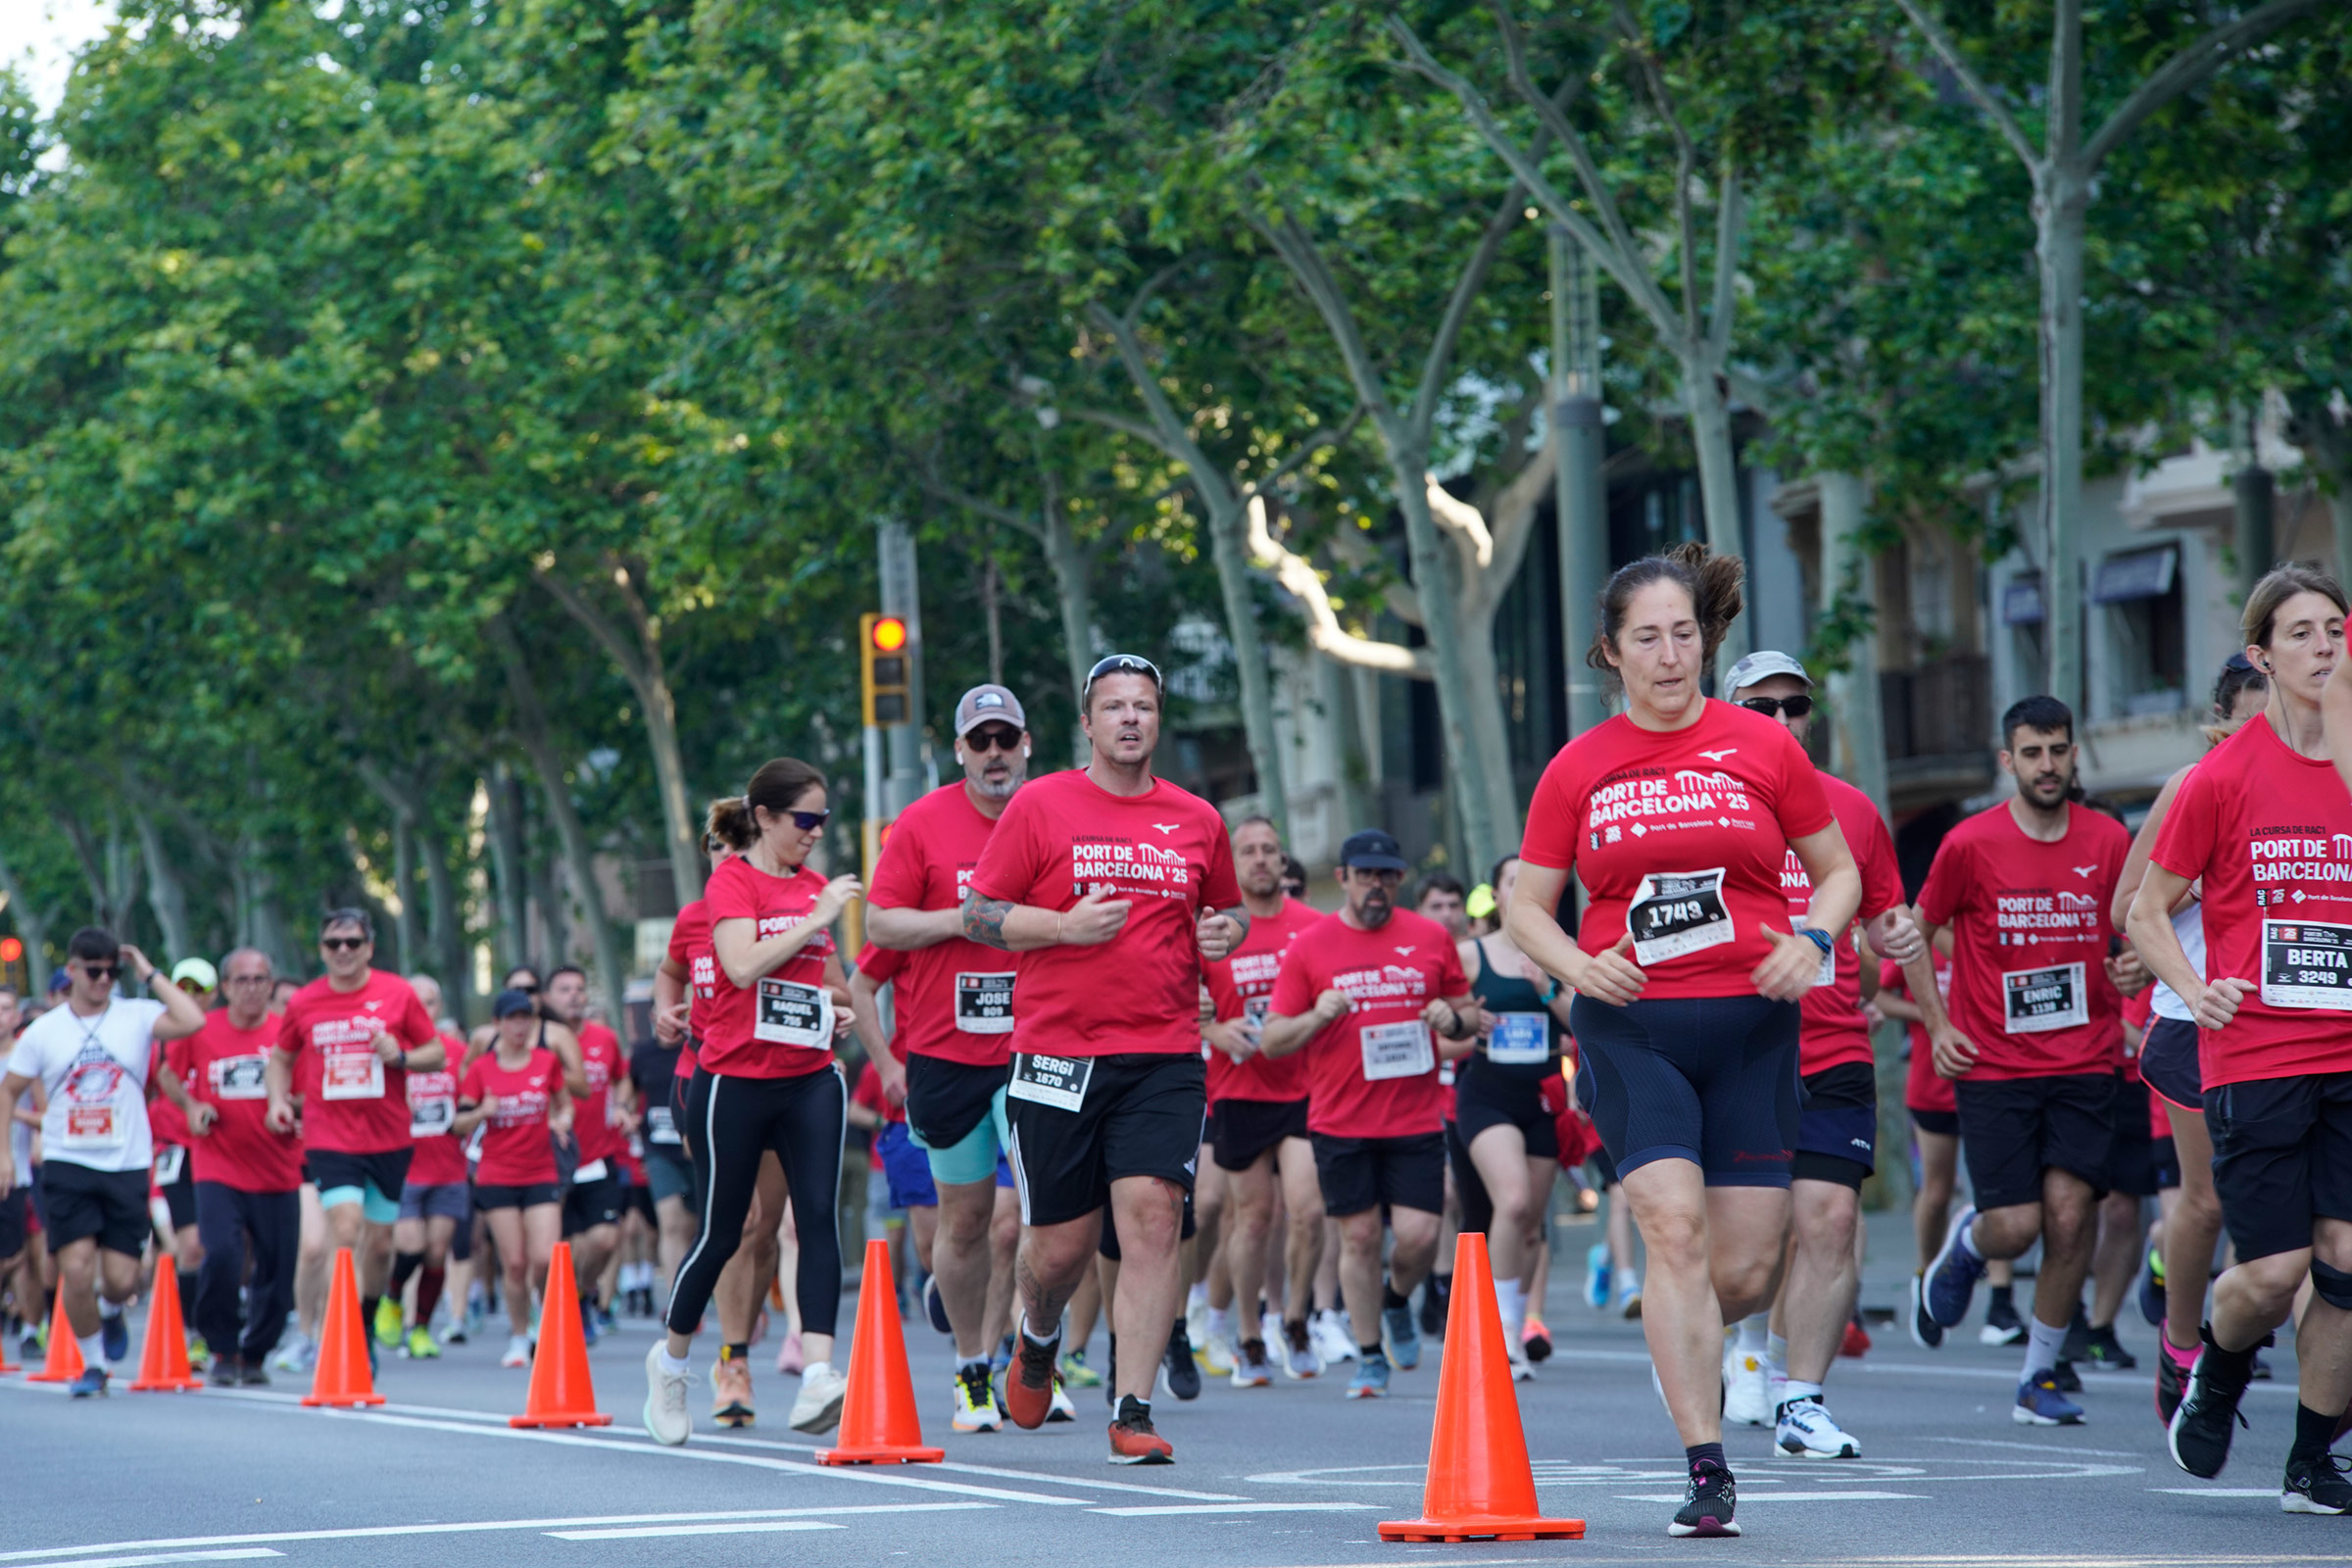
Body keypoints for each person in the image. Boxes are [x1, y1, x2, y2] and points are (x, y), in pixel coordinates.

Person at [1504, 544, 1862, 1539]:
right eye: (1647, 638)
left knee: (1743, 1270)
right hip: (1634, 1026)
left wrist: (1814, 938)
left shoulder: (1764, 747)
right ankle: (1708, 1466)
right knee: (1673, 1227)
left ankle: (1693, 1336)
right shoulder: (1579, 766)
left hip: (1752, 1026)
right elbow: (1525, 904)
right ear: (1611, 654)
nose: (1671, 655)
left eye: (1684, 634)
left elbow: (1838, 873)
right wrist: (1578, 970)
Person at [961, 653, 1246, 1465]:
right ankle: (1039, 1334)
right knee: (1060, 1247)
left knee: (1156, 1218)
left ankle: (1132, 1406)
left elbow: (1223, 916)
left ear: (1158, 721)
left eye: (1144, 707)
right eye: (1115, 706)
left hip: (1162, 1055)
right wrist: (1060, 928)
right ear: (1087, 724)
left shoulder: (1196, 817)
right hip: (1056, 1056)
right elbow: (979, 916)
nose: (1130, 719)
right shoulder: (1041, 804)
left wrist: (1226, 934)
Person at [2138, 565, 2352, 1508]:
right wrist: (2196, 988)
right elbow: (2145, 911)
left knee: (2345, 1256)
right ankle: (2216, 1374)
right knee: (2272, 1274)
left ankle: (2312, 1460)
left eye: (2336, 628)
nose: (2324, 647)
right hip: (2255, 1056)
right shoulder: (2221, 777)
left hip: (2347, 1055)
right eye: (2302, 633)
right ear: (2264, 656)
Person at [1718, 651, 1927, 1459]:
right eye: (1760, 708)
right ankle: (1738, 1346)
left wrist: (1897, 937)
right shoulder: (1702, 807)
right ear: (1729, 710)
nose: (1779, 723)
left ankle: (1800, 1400)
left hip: (1834, 1043)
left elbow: (1884, 928)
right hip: (1735, 1047)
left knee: (1831, 1221)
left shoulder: (1852, 811)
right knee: (1753, 1240)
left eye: (1793, 708)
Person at [1911, 696, 2132, 1428]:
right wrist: (1939, 1025)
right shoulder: (1969, 845)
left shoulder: (2107, 840)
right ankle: (1969, 1246)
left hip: (2085, 1061)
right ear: (2009, 761)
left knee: (2071, 1220)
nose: (2048, 765)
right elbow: (1917, 932)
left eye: (2059, 751)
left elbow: (2139, 932)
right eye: (2032, 753)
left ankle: (2039, 1375)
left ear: (2075, 756)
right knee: (2017, 1226)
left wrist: (2134, 974)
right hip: (1995, 1067)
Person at [644, 760, 858, 1445]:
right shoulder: (730, 882)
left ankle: (819, 1373)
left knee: (817, 1219)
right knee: (723, 1233)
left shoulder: (817, 889)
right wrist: (816, 917)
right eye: (805, 820)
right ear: (764, 818)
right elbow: (739, 965)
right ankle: (673, 1364)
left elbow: (835, 985)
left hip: (810, 1077)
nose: (816, 834)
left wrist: (837, 1006)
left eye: (824, 821)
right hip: (733, 1079)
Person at [862, 684, 1043, 1433]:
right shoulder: (921, 824)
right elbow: (878, 926)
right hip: (945, 1055)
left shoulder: (1056, 814)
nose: (995, 754)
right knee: (965, 1225)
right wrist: (964, 919)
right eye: (981, 742)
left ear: (1027, 745)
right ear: (960, 752)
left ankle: (1030, 1359)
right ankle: (972, 1367)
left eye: (1007, 739)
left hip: (1038, 1044)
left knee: (1031, 1217)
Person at [1261, 828, 1479, 1399]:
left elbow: (1466, 1016)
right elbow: (1274, 1038)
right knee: (1357, 1238)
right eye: (1365, 876)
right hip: (1340, 1120)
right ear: (1344, 881)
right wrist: (1316, 1017)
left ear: (1400, 880)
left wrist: (1448, 1019)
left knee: (1419, 1237)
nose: (1375, 886)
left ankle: (1398, 1301)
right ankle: (1368, 1353)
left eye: (1386, 876)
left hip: (1413, 1119)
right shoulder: (1311, 947)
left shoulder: (1431, 938)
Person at [2111, 654, 2268, 1422]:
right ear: (2224, 716)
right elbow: (2124, 909)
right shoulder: (2192, 787)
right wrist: (2203, 884)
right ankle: (2180, 1350)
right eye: (2254, 711)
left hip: (2294, 1026)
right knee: (2204, 1204)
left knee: (2297, 1216)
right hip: (2194, 1020)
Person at [0, 928, 208, 1395]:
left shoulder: (136, 1015)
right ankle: (92, 1365)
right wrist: (4, 1158)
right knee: (74, 1266)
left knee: (120, 1278)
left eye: (111, 972)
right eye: (93, 972)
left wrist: (148, 972)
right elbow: (8, 1092)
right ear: (72, 971)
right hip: (68, 1161)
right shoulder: (45, 1030)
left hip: (127, 1162)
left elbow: (193, 1019)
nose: (103, 981)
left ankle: (112, 1312)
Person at [1201, 815, 1325, 1385]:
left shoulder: (1314, 928)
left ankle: (1295, 1318)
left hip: (1306, 1086)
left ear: (1282, 861)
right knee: (1250, 1219)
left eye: (1269, 850)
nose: (1259, 860)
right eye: (1247, 851)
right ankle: (1248, 1334)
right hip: (1239, 1088)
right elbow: (1176, 998)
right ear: (1233, 862)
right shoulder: (1215, 931)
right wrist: (1212, 1033)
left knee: (1307, 1211)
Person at [1448, 852, 1579, 1381]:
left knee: (1530, 1225)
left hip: (1542, 1096)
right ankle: (1499, 1333)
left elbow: (1584, 1023)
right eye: (1510, 881)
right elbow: (1434, 1033)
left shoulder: (1560, 953)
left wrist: (1547, 987)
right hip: (1486, 1093)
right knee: (1514, 1199)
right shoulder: (1468, 954)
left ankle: (1518, 1322)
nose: (1521, 888)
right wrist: (1463, 1027)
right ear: (1497, 896)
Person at [160, 948, 302, 1384]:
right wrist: (192, 1104)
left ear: (271, 985)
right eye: (242, 980)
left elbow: (308, 1086)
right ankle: (222, 1348)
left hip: (278, 1167)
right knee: (219, 1252)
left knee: (278, 1270)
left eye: (260, 979)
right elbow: (168, 1074)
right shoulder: (202, 1029)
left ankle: (255, 1352)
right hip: (218, 1164)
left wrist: (289, 1105)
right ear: (225, 988)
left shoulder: (286, 1034)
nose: (252, 988)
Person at [545, 965, 633, 1341]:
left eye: (579, 988)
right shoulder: (540, 1040)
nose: (574, 996)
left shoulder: (605, 1038)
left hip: (598, 1154)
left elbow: (622, 1076)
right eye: (564, 989)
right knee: (565, 1244)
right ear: (549, 997)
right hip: (552, 1160)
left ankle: (580, 1293)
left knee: (605, 1239)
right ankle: (560, 1309)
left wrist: (622, 1105)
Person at [387, 974, 468, 1358]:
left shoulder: (455, 1051)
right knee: (410, 1245)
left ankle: (420, 1328)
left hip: (448, 1169)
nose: (424, 1010)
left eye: (431, 1002)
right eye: (416, 1002)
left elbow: (476, 1093)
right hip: (404, 1168)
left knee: (437, 1253)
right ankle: (391, 1299)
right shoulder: (391, 1051)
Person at [153, 956, 218, 1358]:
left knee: (228, 1245)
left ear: (212, 994)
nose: (189, 997)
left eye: (198, 990)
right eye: (182, 988)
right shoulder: (154, 1034)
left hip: (222, 1148)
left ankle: (224, 1316)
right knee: (191, 1244)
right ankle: (193, 1331)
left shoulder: (225, 1031)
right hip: (175, 1150)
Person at [1416, 875, 1469, 942]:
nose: (1447, 914)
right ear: (1419, 913)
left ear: (1463, 909)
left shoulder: (1480, 948)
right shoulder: (1410, 951)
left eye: (1453, 906)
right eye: (1437, 907)